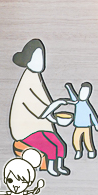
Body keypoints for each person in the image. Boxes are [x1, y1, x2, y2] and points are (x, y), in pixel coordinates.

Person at [9, 39, 69, 177]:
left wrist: (54, 118)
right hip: (26, 130)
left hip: (41, 126)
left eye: (42, 58)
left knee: (60, 144)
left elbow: (44, 106)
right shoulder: (27, 81)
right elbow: (38, 109)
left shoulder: (37, 78)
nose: (41, 62)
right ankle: (51, 167)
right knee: (50, 146)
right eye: (37, 58)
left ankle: (59, 166)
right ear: (28, 61)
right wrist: (56, 105)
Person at [67, 82, 98, 160]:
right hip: (78, 126)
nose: (83, 94)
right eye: (82, 91)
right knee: (76, 139)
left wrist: (96, 124)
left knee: (87, 140)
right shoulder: (77, 102)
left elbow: (93, 116)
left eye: (86, 92)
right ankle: (78, 151)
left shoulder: (87, 106)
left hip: (87, 127)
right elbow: (73, 97)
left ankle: (91, 151)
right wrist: (69, 88)